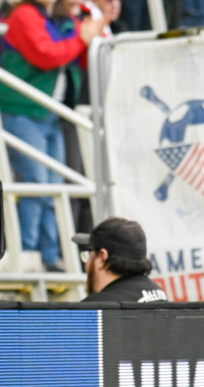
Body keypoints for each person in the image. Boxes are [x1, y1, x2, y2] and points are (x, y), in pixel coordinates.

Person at [0, 0, 108, 272]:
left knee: (52, 187)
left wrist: (99, 25)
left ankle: (48, 257)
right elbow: (46, 54)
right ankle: (25, 255)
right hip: (22, 110)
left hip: (53, 113)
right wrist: (82, 36)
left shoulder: (64, 19)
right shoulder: (24, 15)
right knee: (36, 183)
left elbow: (83, 59)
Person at [73, 218, 167, 303]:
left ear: (102, 257)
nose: (87, 266)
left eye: (89, 255)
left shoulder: (94, 309)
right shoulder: (159, 295)